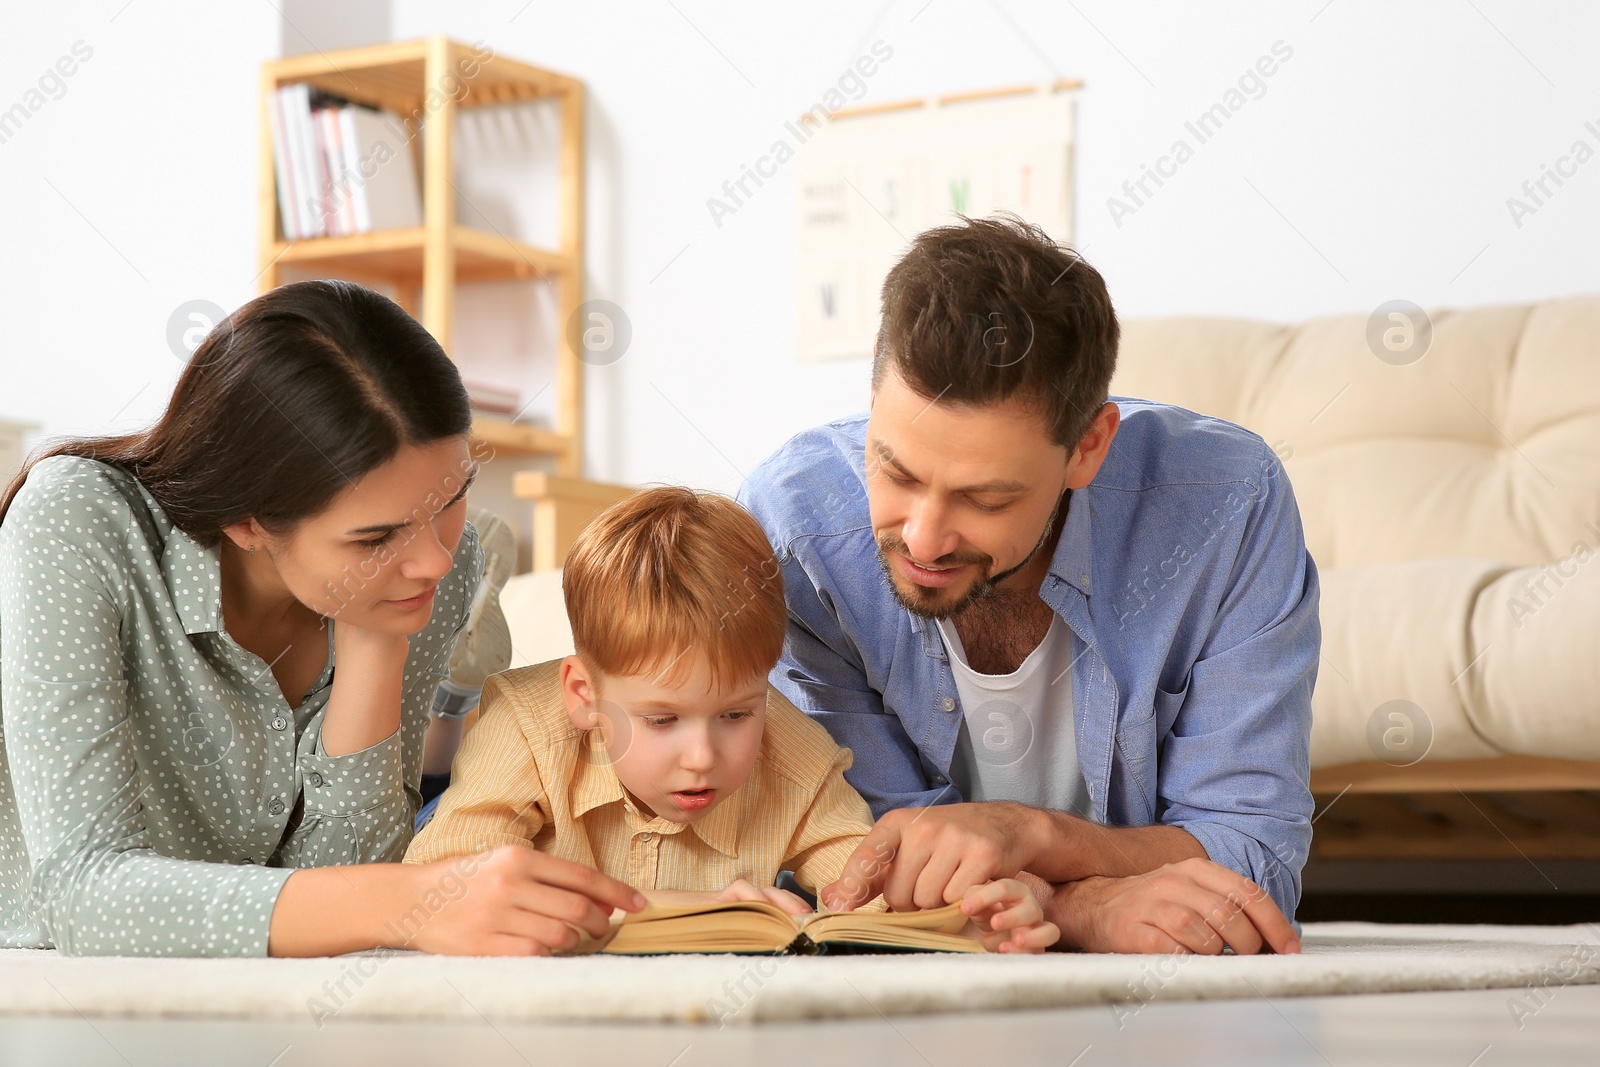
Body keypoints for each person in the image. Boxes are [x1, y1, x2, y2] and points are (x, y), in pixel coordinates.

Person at [0, 280, 643, 957]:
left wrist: (376, 638)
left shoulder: (435, 570)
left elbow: (341, 890)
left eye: (452, 496)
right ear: (247, 520)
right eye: (375, 538)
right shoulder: (75, 523)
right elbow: (80, 892)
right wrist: (422, 901)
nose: (432, 559)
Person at [737, 215, 1320, 956]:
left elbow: (1253, 863)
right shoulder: (794, 534)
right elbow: (870, 872)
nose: (922, 538)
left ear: (1089, 447)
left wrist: (1033, 835)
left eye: (985, 499)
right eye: (896, 471)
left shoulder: (1228, 503)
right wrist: (1087, 909)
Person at [407, 486, 1057, 953]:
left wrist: (967, 916)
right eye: (662, 720)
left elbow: (860, 889)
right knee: (428, 794)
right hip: (453, 797)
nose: (702, 755)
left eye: (736, 712)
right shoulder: (529, 722)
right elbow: (443, 879)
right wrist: (684, 911)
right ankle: (451, 678)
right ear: (584, 693)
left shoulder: (796, 753)